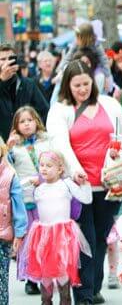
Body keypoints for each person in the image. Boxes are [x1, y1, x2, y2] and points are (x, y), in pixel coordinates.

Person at [46, 60, 122, 305]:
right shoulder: (60, 110)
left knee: (103, 236)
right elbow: (59, 144)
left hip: (110, 185)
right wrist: (75, 169)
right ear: (68, 86)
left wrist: (119, 148)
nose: (83, 89)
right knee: (85, 240)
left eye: (86, 84)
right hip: (79, 186)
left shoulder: (109, 103)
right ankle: (83, 295)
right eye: (77, 85)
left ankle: (93, 287)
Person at [24, 150, 92, 305]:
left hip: (63, 236)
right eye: (41, 165)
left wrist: (84, 183)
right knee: (45, 273)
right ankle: (45, 300)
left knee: (62, 272)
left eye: (49, 166)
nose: (44, 169)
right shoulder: (38, 188)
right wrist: (32, 182)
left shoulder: (66, 184)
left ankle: (65, 300)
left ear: (60, 169)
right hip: (42, 236)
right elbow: (21, 195)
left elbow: (86, 199)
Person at [6, 106, 52, 295]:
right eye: (22, 121)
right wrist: (8, 147)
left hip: (45, 197)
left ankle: (44, 274)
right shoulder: (14, 148)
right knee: (28, 241)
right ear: (16, 126)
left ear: (37, 122)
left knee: (44, 238)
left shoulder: (46, 142)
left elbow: (56, 163)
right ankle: (30, 278)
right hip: (24, 200)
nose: (26, 124)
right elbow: (5, 167)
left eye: (30, 120)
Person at [0, 43, 49, 141]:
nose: (7, 62)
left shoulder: (28, 84)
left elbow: (44, 112)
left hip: (26, 146)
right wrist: (2, 80)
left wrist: (33, 135)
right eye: (3, 59)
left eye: (10, 58)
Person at [0, 142, 28, 304]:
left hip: (2, 236)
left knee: (1, 280)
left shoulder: (9, 175)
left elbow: (18, 207)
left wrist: (19, 233)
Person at [56, 22, 113, 93]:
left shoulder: (96, 44)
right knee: (64, 71)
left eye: (78, 37)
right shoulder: (76, 43)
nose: (76, 39)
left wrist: (107, 76)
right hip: (78, 67)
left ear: (84, 38)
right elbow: (68, 56)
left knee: (100, 77)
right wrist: (60, 69)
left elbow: (103, 60)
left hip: (94, 68)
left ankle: (97, 95)